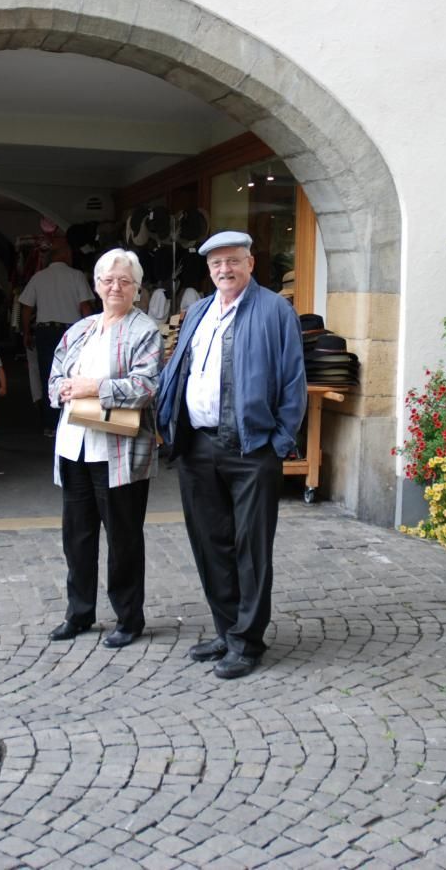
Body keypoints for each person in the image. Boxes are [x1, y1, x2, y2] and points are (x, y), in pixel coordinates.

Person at [156, 230, 306, 679]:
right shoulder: (199, 310)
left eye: (233, 261)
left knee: (251, 548)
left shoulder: (275, 310)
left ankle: (247, 642)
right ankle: (228, 629)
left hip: (252, 447)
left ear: (250, 263)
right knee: (211, 544)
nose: (225, 269)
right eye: (217, 263)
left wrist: (279, 442)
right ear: (209, 269)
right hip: (198, 445)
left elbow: (294, 380)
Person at [46, 248, 162, 649]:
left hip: (119, 452)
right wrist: (64, 388)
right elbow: (55, 377)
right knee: (76, 537)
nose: (115, 287)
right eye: (108, 280)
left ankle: (128, 619)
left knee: (123, 538)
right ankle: (79, 613)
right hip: (74, 446)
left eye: (124, 281)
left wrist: (92, 387)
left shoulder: (144, 330)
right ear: (96, 285)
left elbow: (146, 386)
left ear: (137, 288)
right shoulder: (80, 329)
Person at [20, 243, 95, 436]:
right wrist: (92, 333)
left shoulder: (38, 277)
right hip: (72, 331)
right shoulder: (77, 275)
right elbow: (85, 307)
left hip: (45, 332)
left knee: (49, 376)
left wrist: (26, 332)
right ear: (65, 255)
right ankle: (73, 420)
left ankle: (51, 424)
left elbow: (26, 308)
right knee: (74, 375)